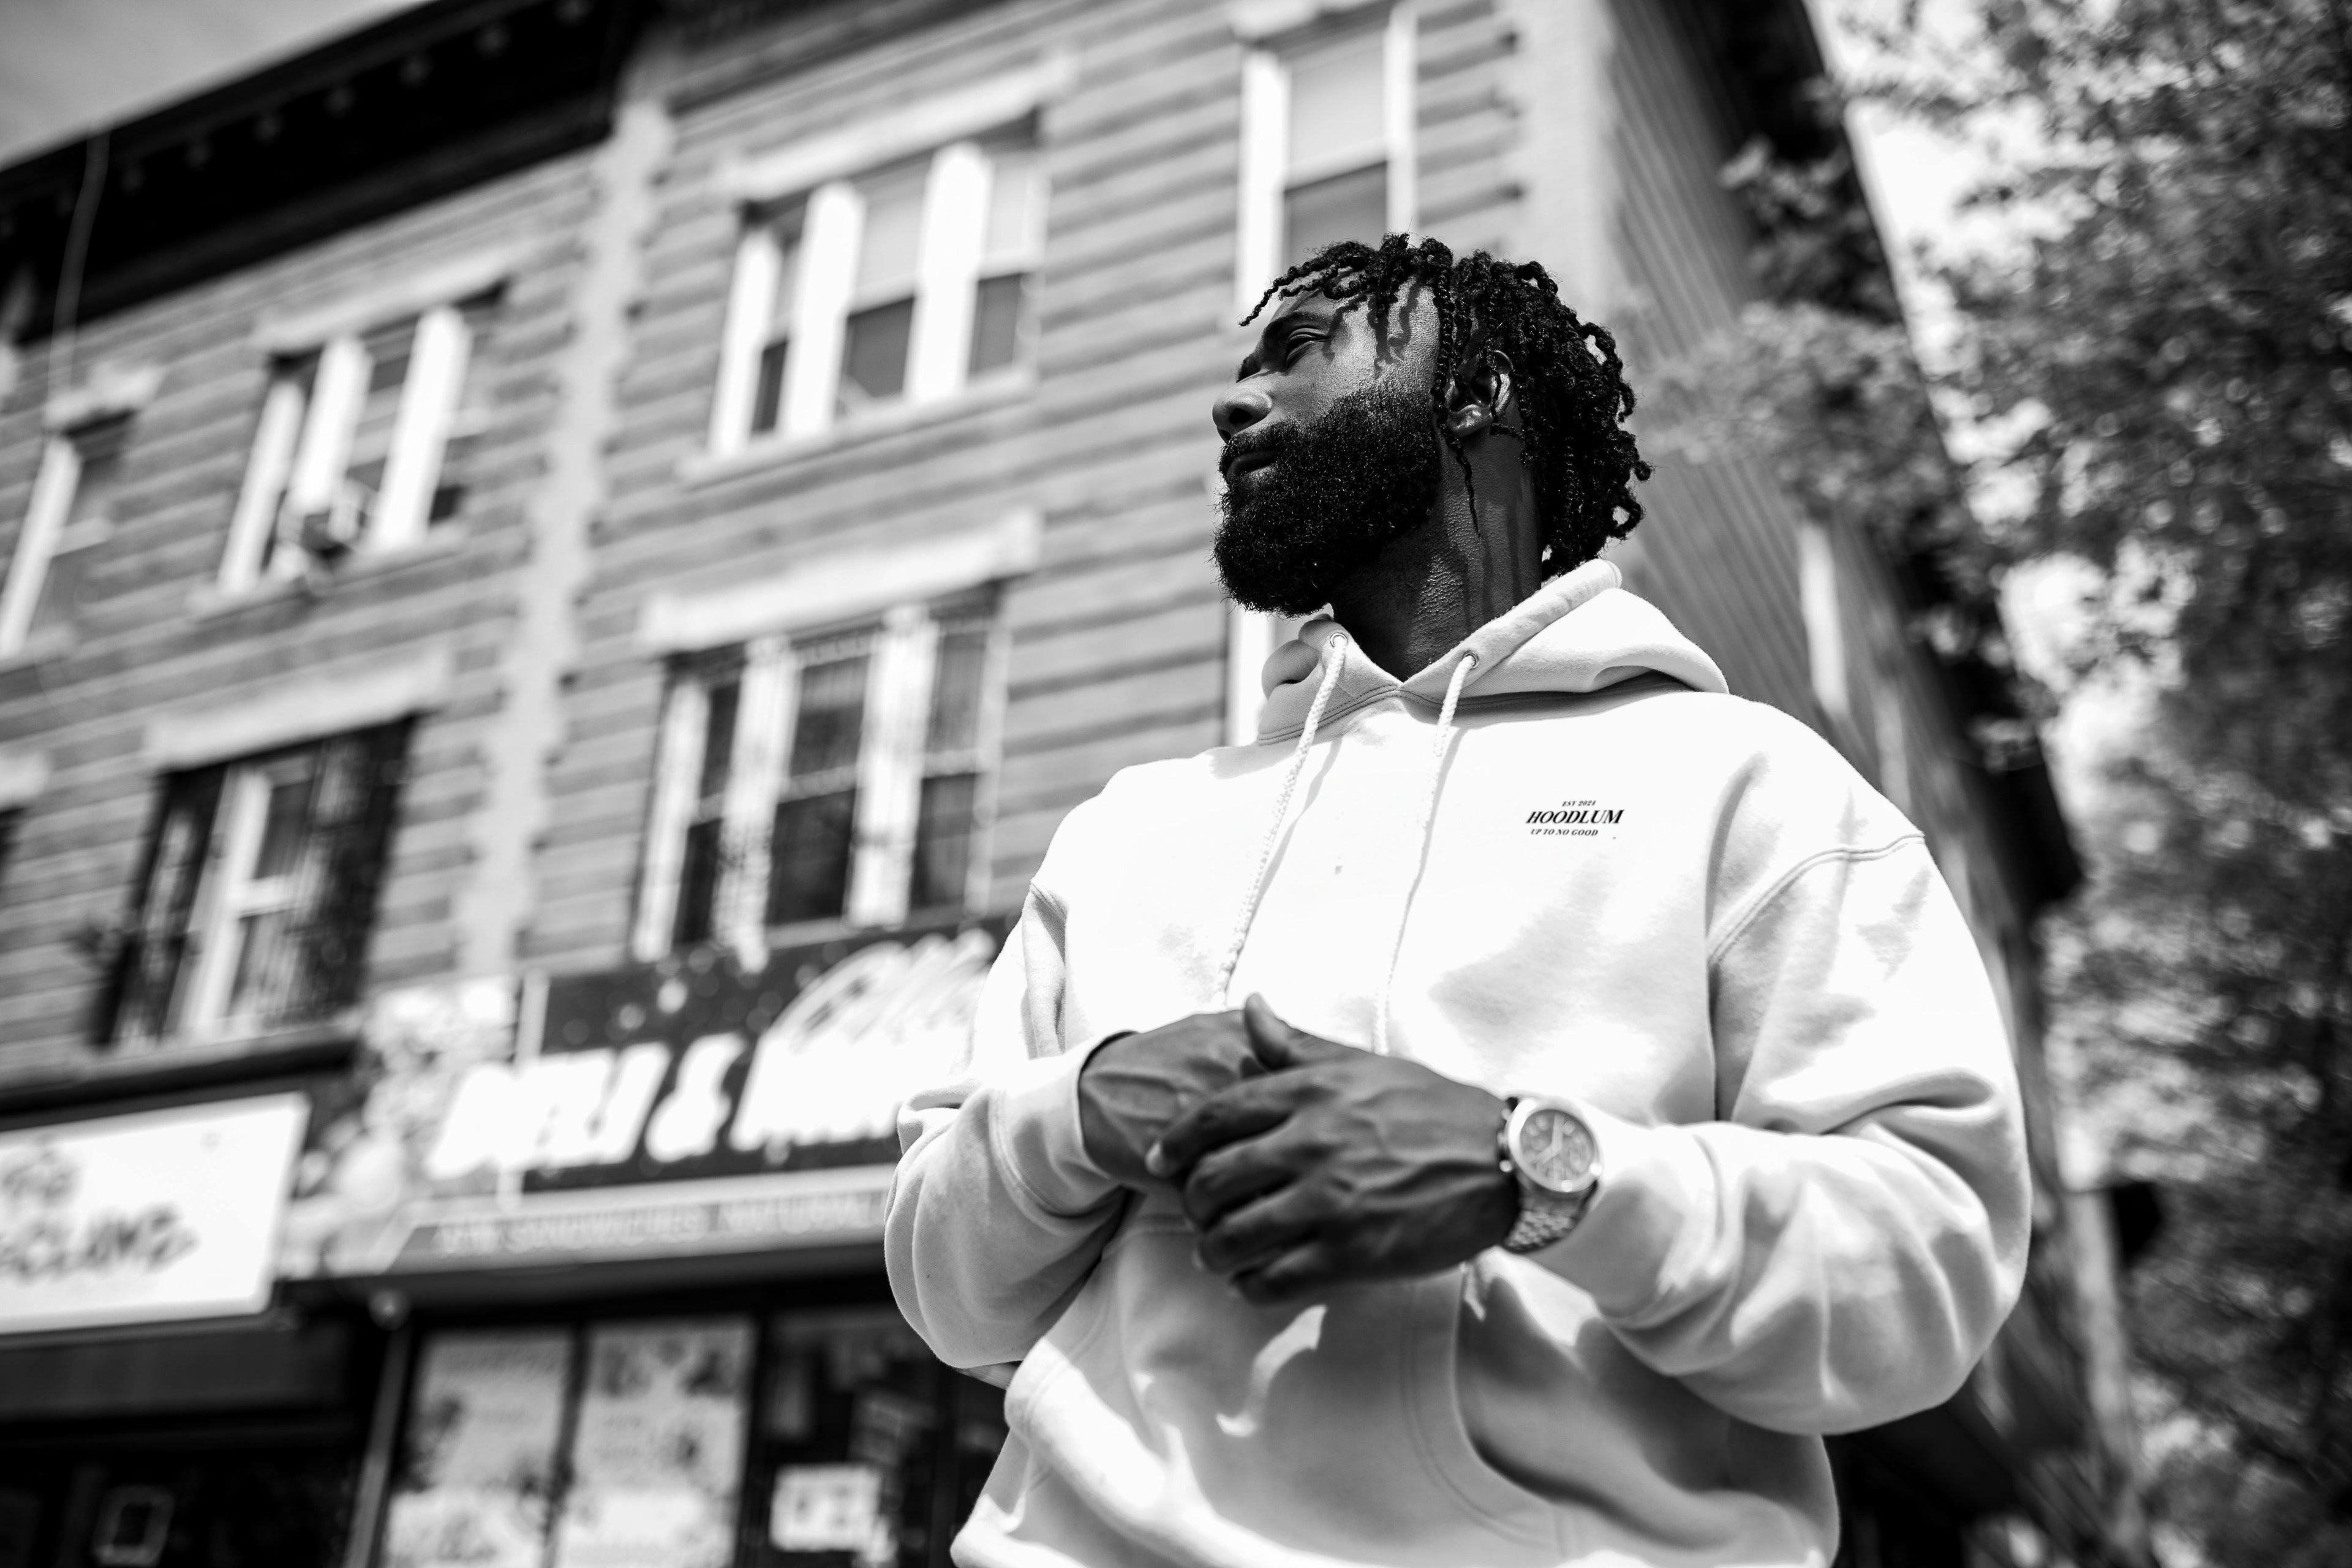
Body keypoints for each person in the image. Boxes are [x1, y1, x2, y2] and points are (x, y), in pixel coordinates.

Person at [886, 235, 2028, 1568]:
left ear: (1475, 390)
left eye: (1301, 351)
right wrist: (1078, 1107)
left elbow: (1927, 1273)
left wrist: (1532, 1172)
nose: (1236, 399)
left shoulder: (1745, 786)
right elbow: (951, 1300)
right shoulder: (1133, 824)